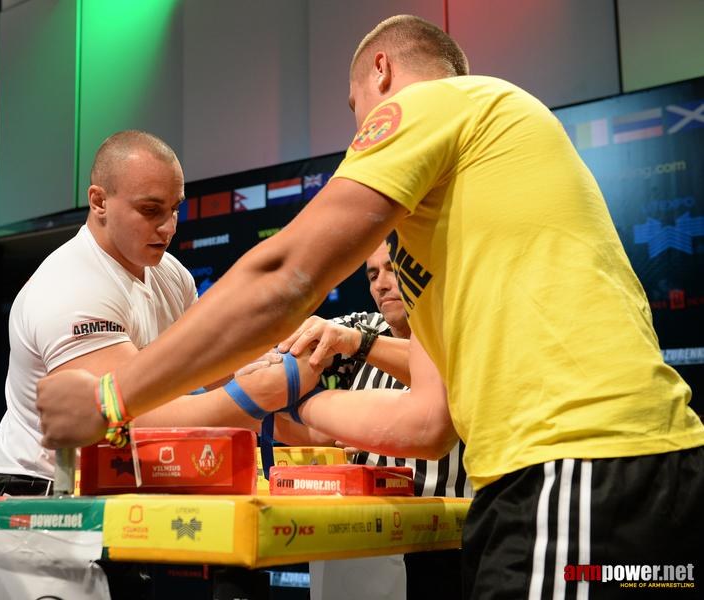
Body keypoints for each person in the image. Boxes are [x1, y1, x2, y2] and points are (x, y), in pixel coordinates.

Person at [37, 15, 704, 597]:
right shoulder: (453, 234)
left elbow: (285, 273)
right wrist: (285, 398)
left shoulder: (439, 102)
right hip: (602, 474)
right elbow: (427, 422)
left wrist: (109, 398)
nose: (361, 135)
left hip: (580, 467)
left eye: (355, 110)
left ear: (381, 72)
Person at [0, 130, 320, 497]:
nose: (169, 226)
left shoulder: (171, 274)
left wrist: (316, 431)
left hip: (120, 486)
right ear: (98, 202)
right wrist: (254, 394)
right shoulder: (71, 285)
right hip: (41, 491)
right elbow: (123, 417)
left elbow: (216, 372)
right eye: (150, 210)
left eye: (175, 209)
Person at [298, 242, 471, 600]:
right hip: (362, 538)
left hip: (444, 543)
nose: (381, 283)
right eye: (373, 274)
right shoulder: (362, 324)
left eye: (392, 269)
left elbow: (439, 379)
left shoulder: (461, 328)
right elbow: (298, 356)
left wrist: (360, 345)